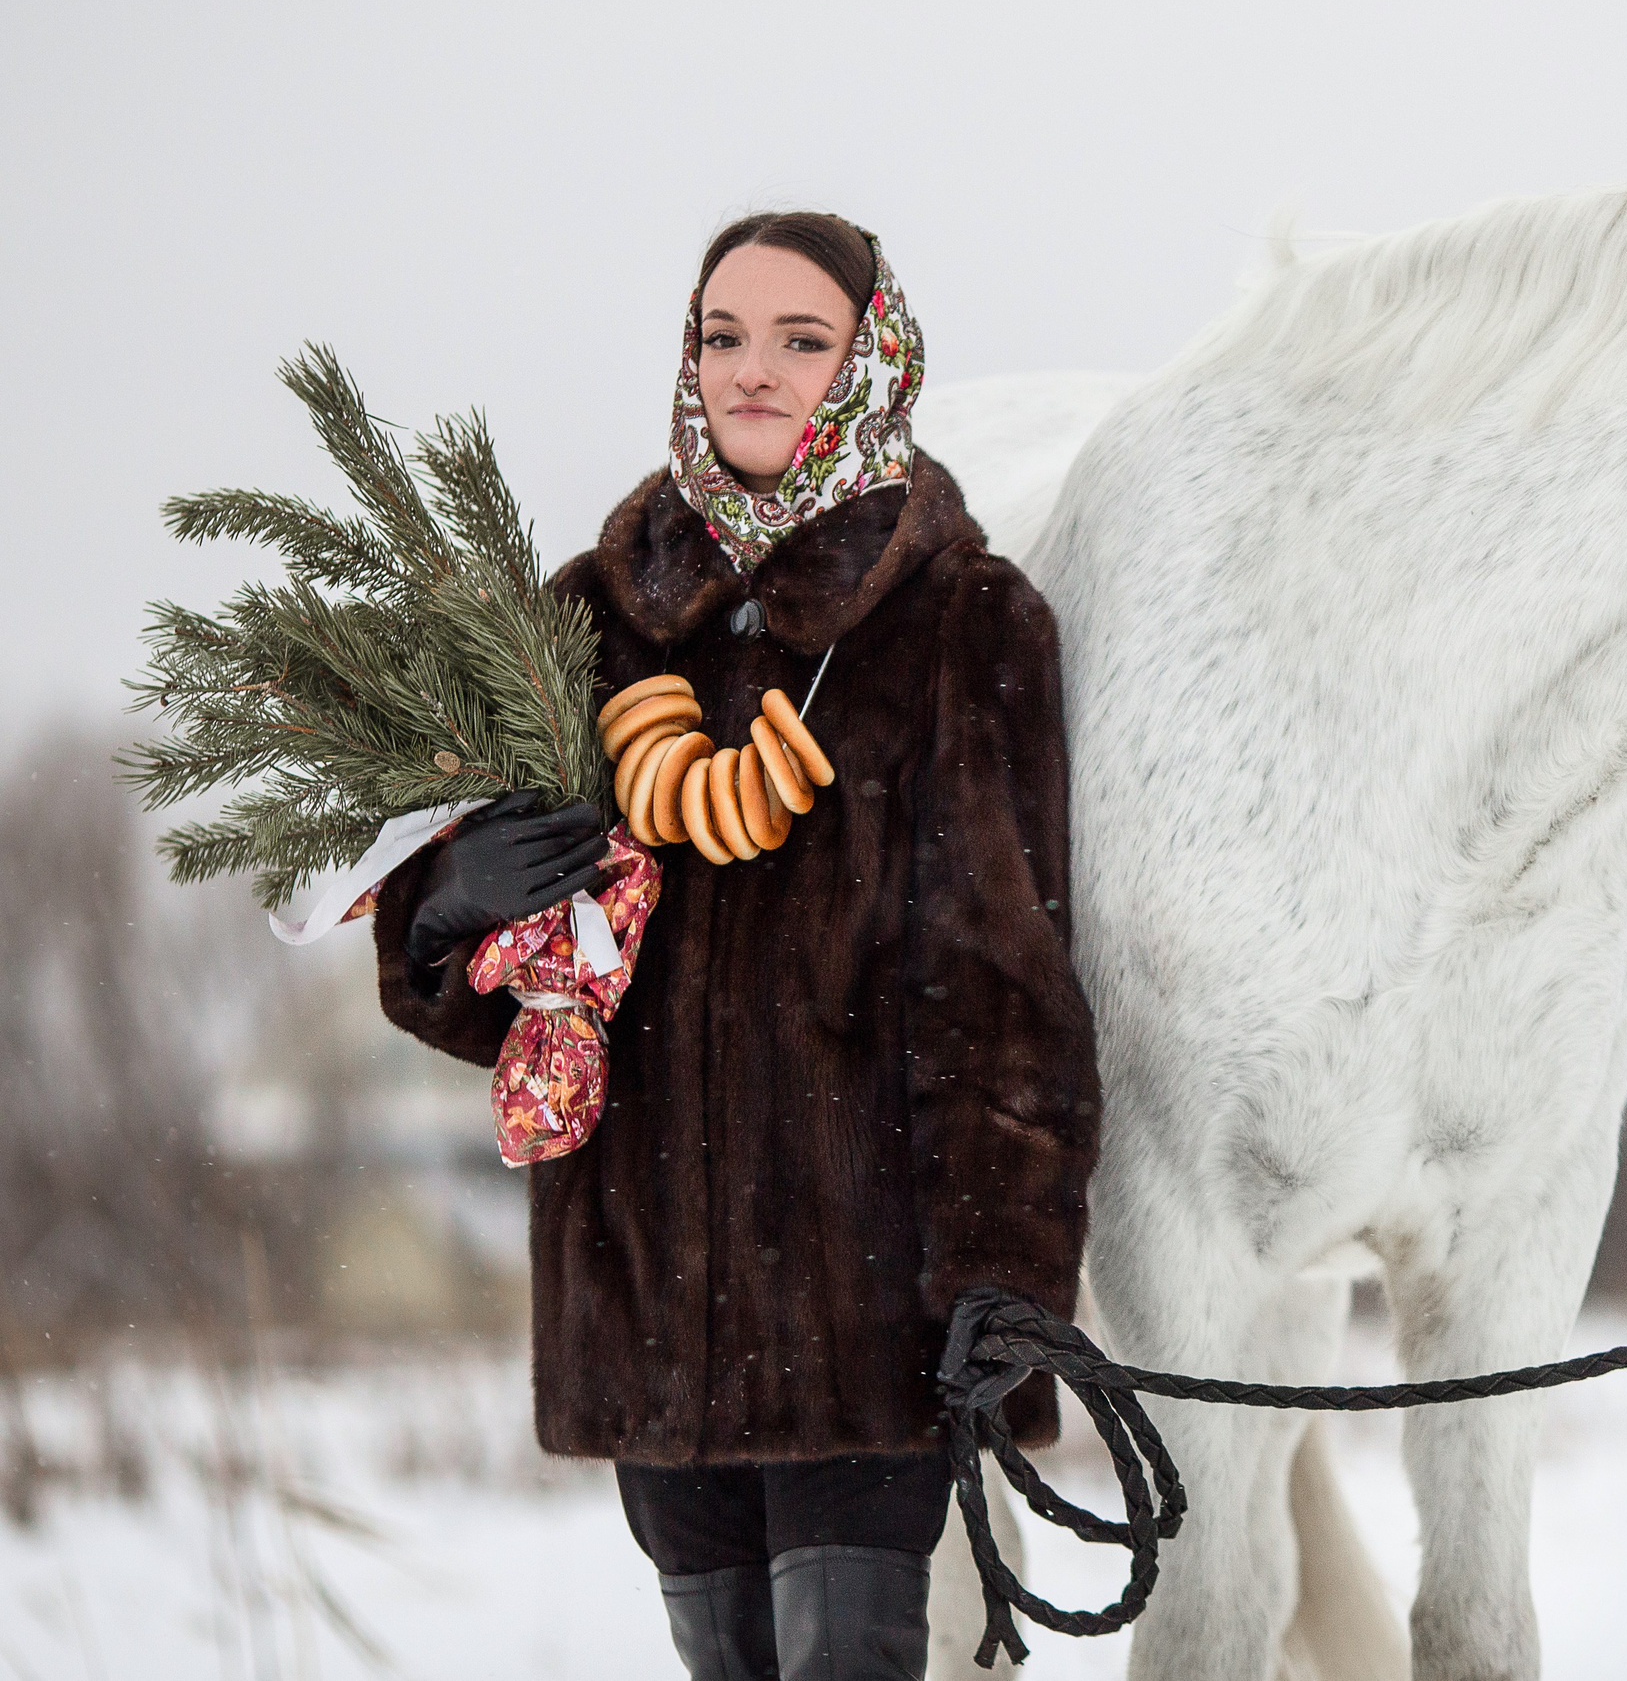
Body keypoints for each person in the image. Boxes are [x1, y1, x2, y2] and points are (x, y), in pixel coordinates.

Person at [369, 212, 1102, 1681]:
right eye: (723, 335)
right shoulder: (583, 627)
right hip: (644, 1309)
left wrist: (1002, 1273)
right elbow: (523, 1007)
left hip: (868, 1318)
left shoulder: (963, 624)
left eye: (800, 338)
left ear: (872, 361)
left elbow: (1003, 998)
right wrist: (450, 912)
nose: (752, 370)